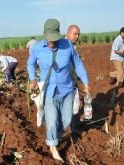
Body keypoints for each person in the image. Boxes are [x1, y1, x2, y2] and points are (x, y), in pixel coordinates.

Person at [27, 18, 90, 161]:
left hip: (66, 89)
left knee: (67, 119)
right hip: (48, 90)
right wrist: (32, 78)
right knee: (52, 119)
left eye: (55, 38)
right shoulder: (37, 48)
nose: (52, 42)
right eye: (50, 39)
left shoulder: (67, 45)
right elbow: (30, 64)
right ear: (44, 34)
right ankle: (53, 146)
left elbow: (78, 64)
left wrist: (85, 82)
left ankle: (56, 136)